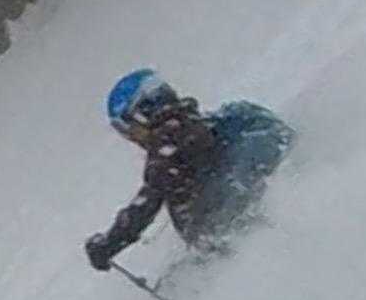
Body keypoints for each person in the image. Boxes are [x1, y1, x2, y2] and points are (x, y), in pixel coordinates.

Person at [85, 68, 293, 270]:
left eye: (128, 128)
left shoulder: (167, 148)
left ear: (142, 114)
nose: (132, 137)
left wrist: (109, 244)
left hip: (233, 234)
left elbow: (145, 205)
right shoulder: (214, 122)